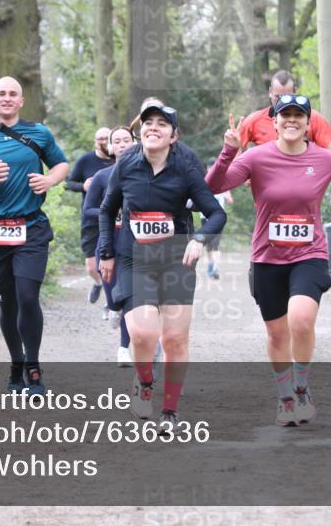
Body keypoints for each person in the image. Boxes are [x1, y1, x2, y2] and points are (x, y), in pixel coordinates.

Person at [206, 94, 331, 427]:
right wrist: (229, 150)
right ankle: (285, 398)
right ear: (274, 122)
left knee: (300, 320)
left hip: (308, 254)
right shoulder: (256, 157)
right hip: (267, 257)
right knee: (276, 335)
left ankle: (301, 388)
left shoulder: (324, 160)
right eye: (285, 115)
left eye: (299, 115)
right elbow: (213, 185)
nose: (291, 120)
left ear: (307, 123)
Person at [99, 105, 226, 428]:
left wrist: (199, 239)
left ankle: (170, 411)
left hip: (175, 258)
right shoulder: (126, 162)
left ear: (174, 135)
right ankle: (144, 384)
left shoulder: (185, 165)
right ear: (140, 131)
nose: (153, 128)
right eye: (147, 123)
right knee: (142, 333)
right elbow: (106, 209)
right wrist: (106, 252)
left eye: (162, 124)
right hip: (134, 257)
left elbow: (216, 213)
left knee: (174, 339)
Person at [0, 77, 69, 395]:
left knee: (27, 296)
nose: (7, 98)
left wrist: (50, 180)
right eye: (1, 94)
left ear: (21, 101)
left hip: (32, 227)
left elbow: (62, 164)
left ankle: (33, 370)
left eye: (13, 94)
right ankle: (15, 365)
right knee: (8, 302)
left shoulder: (39, 133)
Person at [82, 126, 136, 365]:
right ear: (111, 147)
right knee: (113, 296)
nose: (123, 144)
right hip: (107, 243)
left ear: (135, 142)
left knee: (126, 297)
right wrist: (112, 212)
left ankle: (124, 347)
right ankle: (111, 306)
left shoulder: (144, 175)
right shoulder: (103, 177)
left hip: (134, 245)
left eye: (127, 139)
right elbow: (88, 209)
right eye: (118, 141)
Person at [65, 127, 113, 306]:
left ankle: (111, 301)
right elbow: (68, 183)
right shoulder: (86, 161)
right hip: (91, 218)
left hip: (114, 219)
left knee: (112, 263)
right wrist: (83, 186)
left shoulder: (120, 161)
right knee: (92, 267)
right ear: (95, 141)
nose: (102, 141)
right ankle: (98, 283)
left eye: (106, 138)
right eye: (99, 138)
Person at [237, 70, 331, 150]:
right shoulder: (254, 120)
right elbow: (235, 149)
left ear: (295, 92)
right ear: (270, 92)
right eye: (278, 97)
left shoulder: (313, 118)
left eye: (286, 97)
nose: (282, 102)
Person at [202, 168, 233, 279]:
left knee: (215, 244)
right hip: (205, 218)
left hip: (217, 218)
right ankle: (212, 265)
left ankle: (215, 267)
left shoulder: (222, 183)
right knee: (210, 245)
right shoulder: (203, 181)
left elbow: (230, 200)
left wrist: (225, 193)